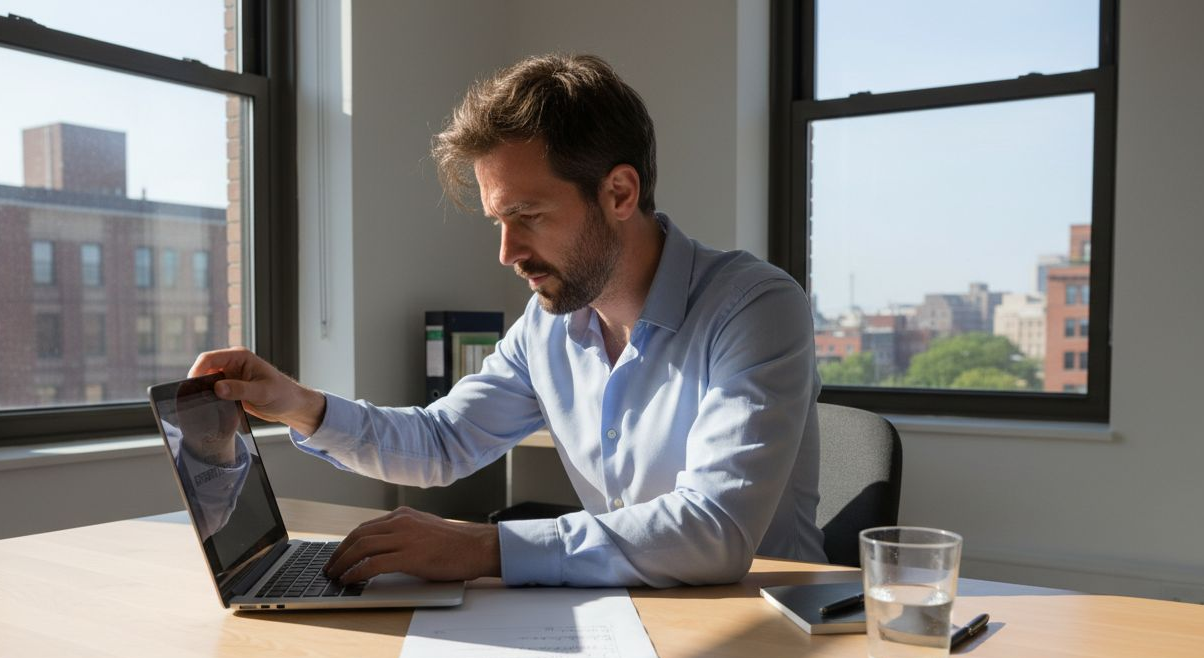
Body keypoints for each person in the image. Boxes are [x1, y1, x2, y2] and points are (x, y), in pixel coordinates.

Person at [189, 53, 824, 588]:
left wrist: (483, 547)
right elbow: (443, 441)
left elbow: (714, 531)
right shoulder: (547, 327)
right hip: (629, 620)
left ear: (620, 193)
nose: (507, 252)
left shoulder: (755, 307)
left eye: (529, 216)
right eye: (498, 220)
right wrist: (299, 405)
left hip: (767, 633)